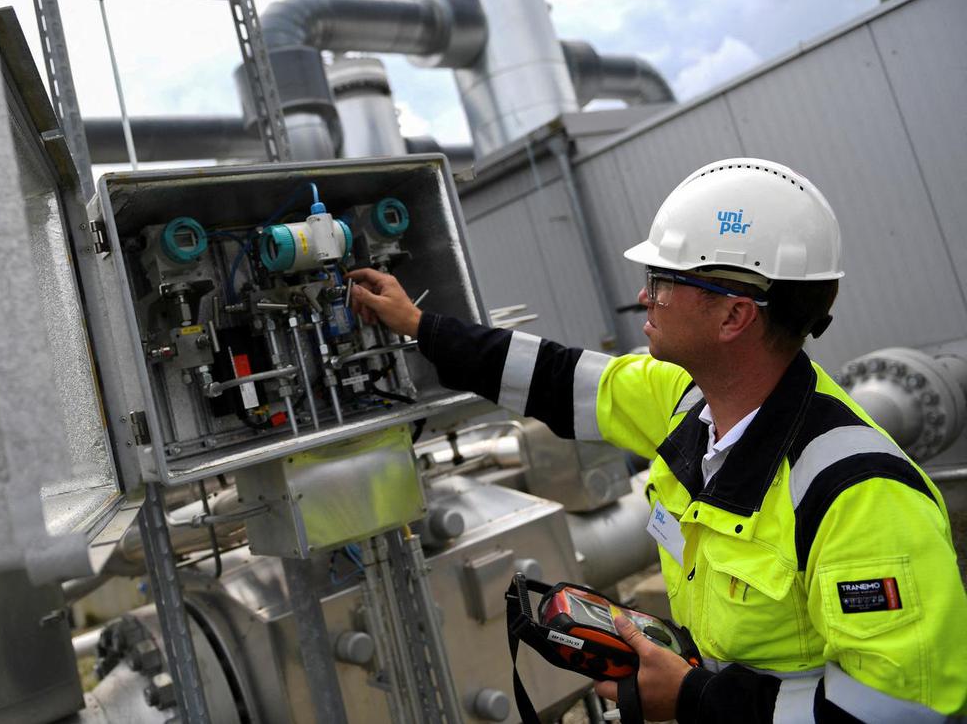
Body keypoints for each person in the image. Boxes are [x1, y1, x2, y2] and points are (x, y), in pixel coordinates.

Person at [347, 157, 966, 723]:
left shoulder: (860, 495)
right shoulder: (687, 399)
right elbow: (557, 377)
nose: (645, 295)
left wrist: (693, 696)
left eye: (663, 279)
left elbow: (899, 710)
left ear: (734, 316)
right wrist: (417, 324)